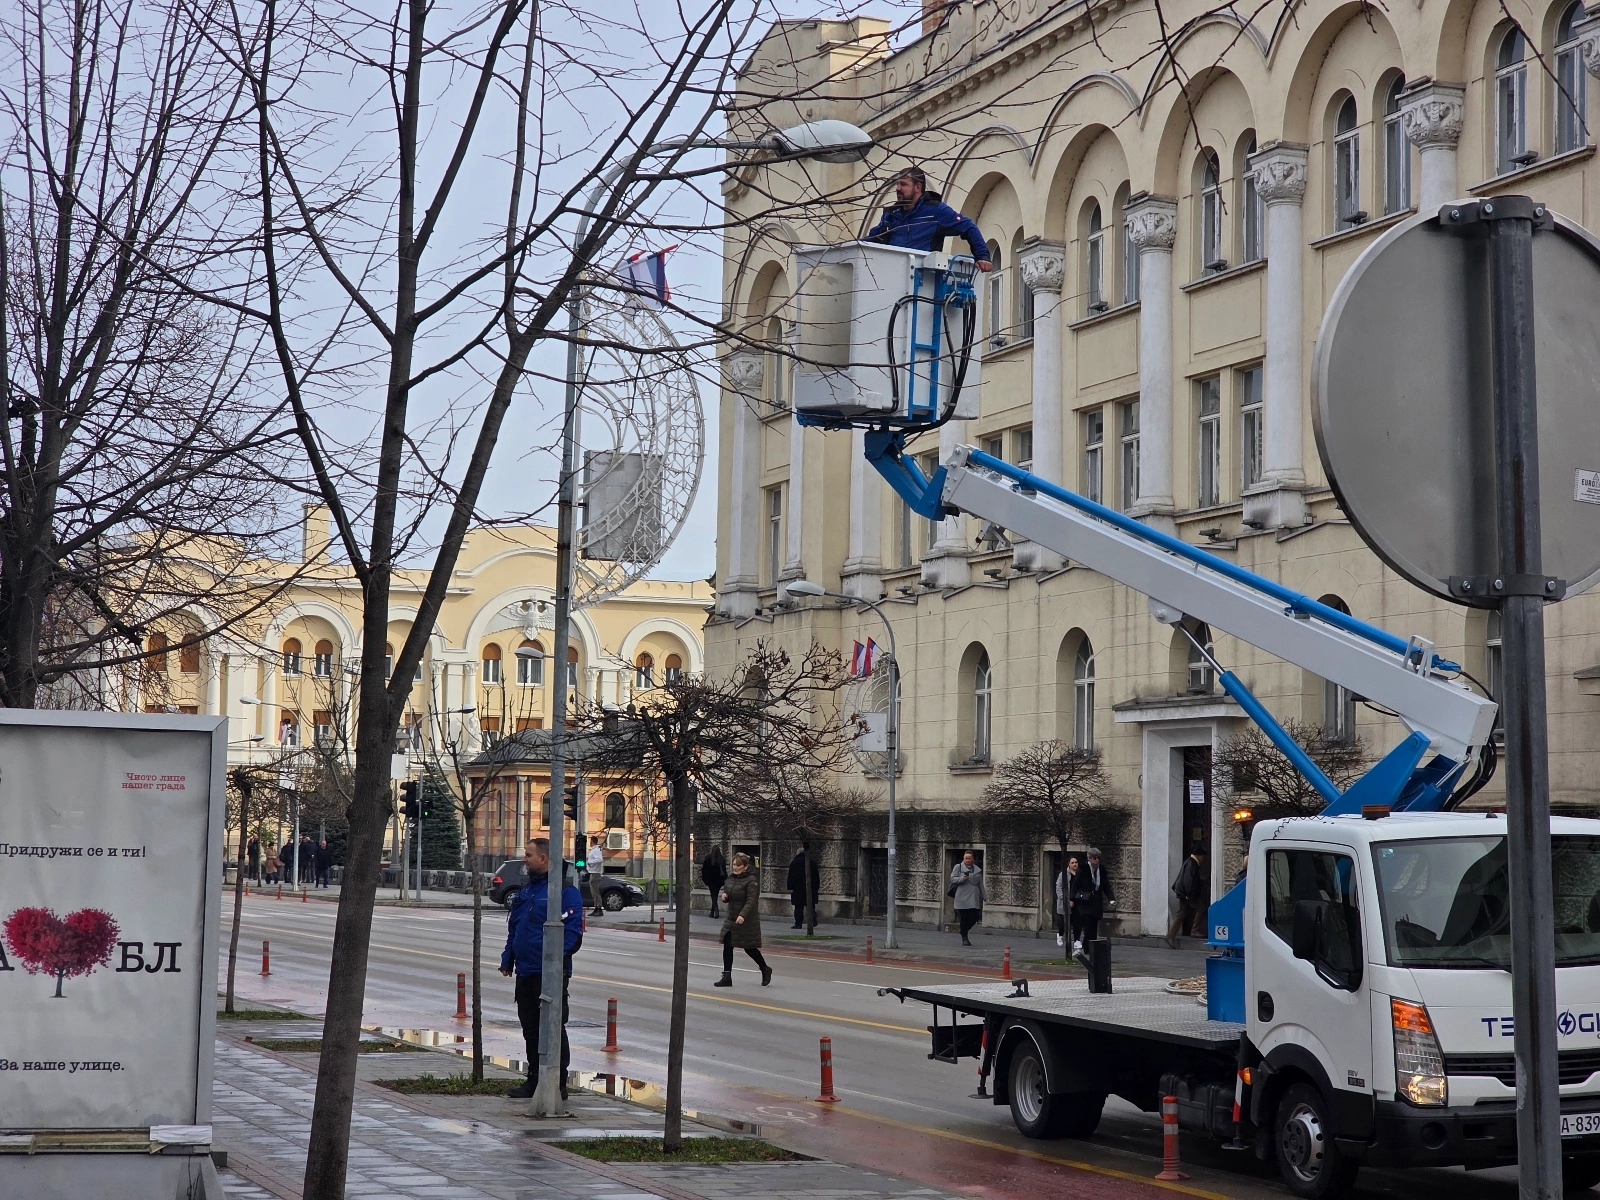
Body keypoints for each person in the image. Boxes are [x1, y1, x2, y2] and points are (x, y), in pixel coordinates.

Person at [500, 838, 583, 1100]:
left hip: (551, 973)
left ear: (544, 859)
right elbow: (516, 928)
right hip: (526, 970)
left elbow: (572, 935)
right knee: (530, 1027)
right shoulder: (528, 891)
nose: (525, 859)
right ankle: (534, 1079)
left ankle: (556, 1083)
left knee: (553, 1027)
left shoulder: (564, 892)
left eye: (528, 855)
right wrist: (508, 958)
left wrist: (555, 963)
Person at [867, 166, 994, 269]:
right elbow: (873, 240)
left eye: (903, 184)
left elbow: (968, 226)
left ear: (918, 187)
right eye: (897, 184)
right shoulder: (891, 214)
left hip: (922, 280)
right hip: (892, 275)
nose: (898, 188)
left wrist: (982, 257)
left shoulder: (935, 211)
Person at [715, 852, 772, 988]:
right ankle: (727, 976)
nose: (735, 867)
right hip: (731, 918)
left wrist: (743, 915)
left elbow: (751, 901)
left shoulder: (751, 881)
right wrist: (725, 895)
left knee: (749, 948)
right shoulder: (731, 878)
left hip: (747, 920)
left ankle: (764, 968)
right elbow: (727, 890)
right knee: (728, 944)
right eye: (734, 864)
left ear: (745, 867)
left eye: (738, 865)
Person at [1070, 847, 1116, 958]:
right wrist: (1071, 898)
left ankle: (1090, 946)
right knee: (1088, 925)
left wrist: (1111, 898)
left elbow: (1106, 885)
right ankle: (1088, 947)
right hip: (1085, 902)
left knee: (1094, 925)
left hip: (1096, 903)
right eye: (1095, 858)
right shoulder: (1084, 869)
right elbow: (1075, 884)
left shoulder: (1102, 870)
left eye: (1098, 858)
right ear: (1090, 859)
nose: (1097, 860)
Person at [1168, 849, 1209, 948]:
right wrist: (1190, 895)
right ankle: (1195, 930)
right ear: (1199, 855)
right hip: (1187, 894)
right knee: (1201, 908)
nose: (1204, 859)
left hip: (1184, 893)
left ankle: (1170, 936)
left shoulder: (1190, 862)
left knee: (1181, 913)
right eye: (1203, 856)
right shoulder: (1192, 863)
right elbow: (1188, 880)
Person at [949, 851, 986, 946]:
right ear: (963, 859)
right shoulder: (958, 867)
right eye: (966, 858)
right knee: (964, 918)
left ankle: (963, 931)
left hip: (973, 897)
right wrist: (962, 879)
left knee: (975, 917)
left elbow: (980, 884)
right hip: (961, 896)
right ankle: (964, 938)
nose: (968, 860)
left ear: (973, 859)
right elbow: (953, 879)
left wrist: (984, 896)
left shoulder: (977, 870)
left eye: (969, 858)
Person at [786, 845, 820, 930]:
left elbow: (791, 876)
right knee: (811, 906)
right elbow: (817, 877)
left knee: (798, 907)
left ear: (798, 853)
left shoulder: (794, 863)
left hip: (797, 889)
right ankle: (813, 919)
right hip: (811, 889)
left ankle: (798, 923)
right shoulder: (812, 862)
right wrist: (816, 888)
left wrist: (790, 887)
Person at [1055, 855, 1081, 950]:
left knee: (1077, 922)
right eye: (1072, 862)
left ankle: (1077, 940)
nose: (1075, 864)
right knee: (1063, 923)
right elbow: (1058, 887)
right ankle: (1060, 934)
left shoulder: (1079, 874)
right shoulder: (1064, 874)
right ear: (1069, 864)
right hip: (1065, 902)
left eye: (1076, 862)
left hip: (1077, 902)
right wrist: (1065, 899)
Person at [701, 845, 727, 920]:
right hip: (718, 881)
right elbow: (724, 870)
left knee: (713, 895)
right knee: (715, 895)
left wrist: (705, 880)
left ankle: (716, 911)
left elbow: (704, 870)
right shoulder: (721, 859)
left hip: (711, 881)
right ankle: (712, 912)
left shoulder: (708, 858)